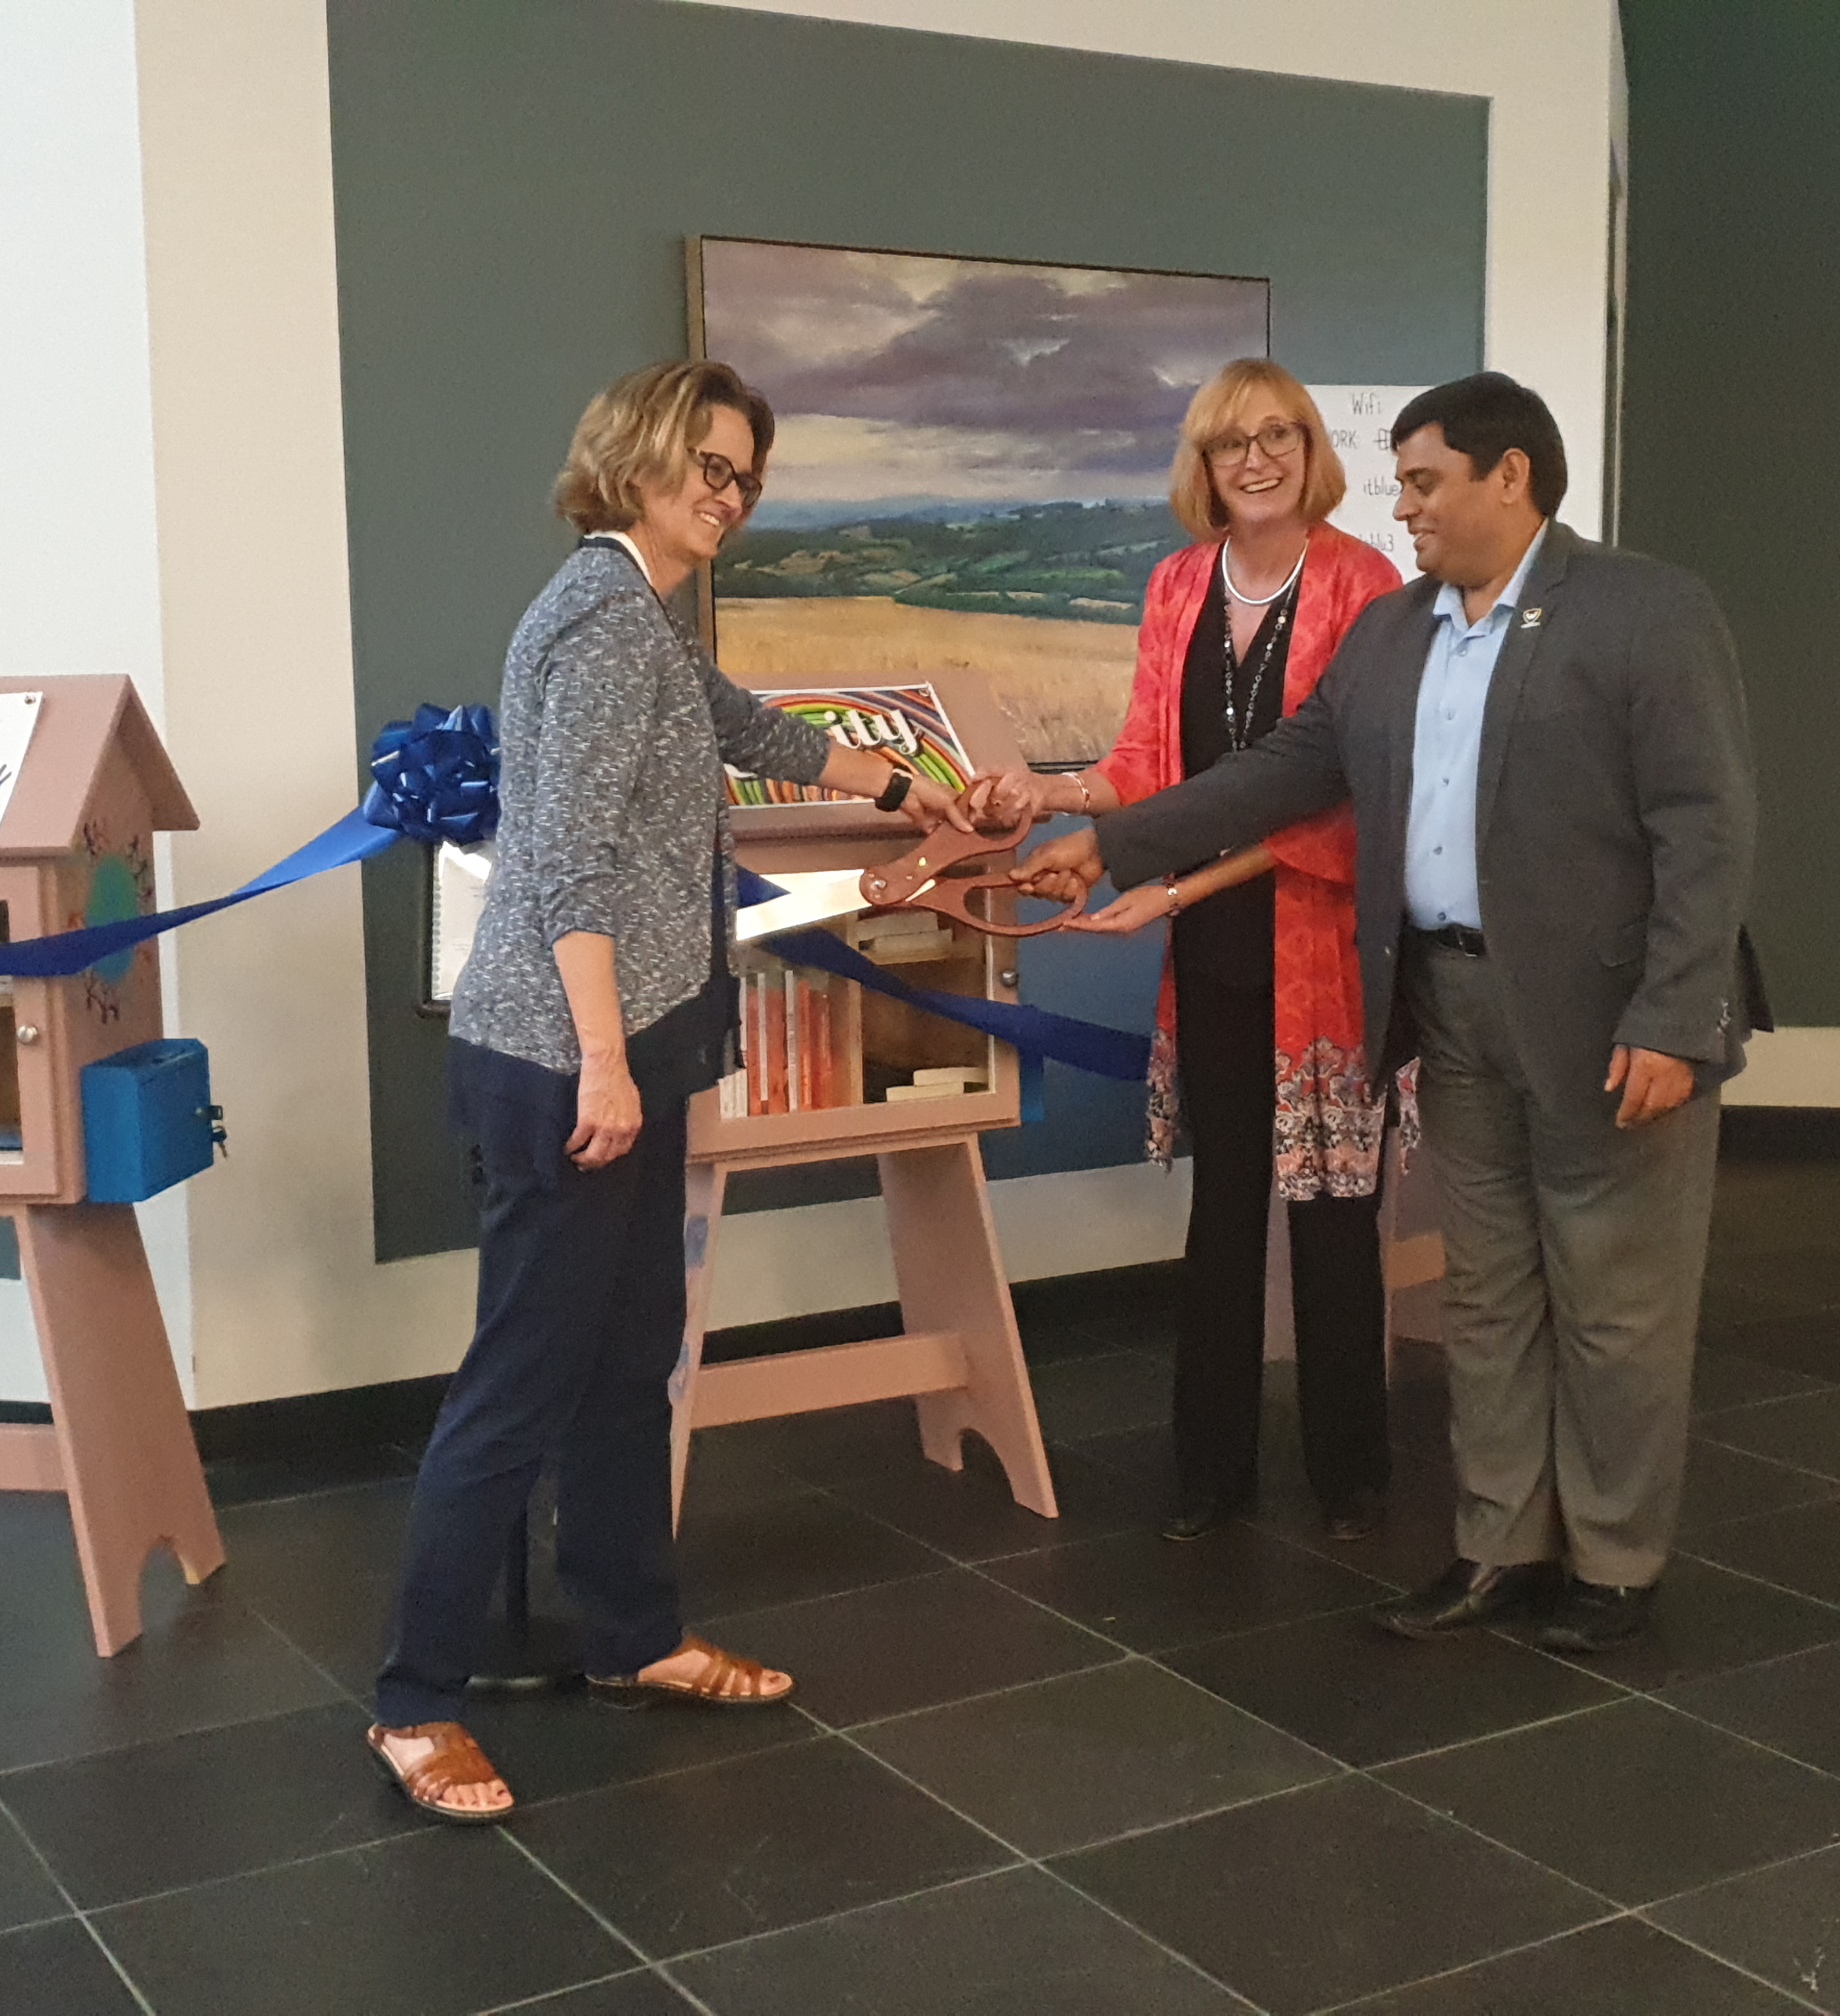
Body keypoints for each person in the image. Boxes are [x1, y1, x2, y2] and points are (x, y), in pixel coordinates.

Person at [1009, 372, 1759, 1653]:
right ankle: (1498, 1549)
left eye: (1423, 482)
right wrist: (1111, 844)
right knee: (1488, 1296)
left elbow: (1707, 826)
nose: (1400, 507)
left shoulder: (1645, 612)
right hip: (1444, 1004)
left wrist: (1675, 1018)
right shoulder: (1397, 631)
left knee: (1615, 1300)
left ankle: (1615, 1565)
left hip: (1606, 1022)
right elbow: (1284, 771)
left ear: (1507, 478)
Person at [367, 360, 959, 1822]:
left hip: (619, 1047)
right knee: (520, 1385)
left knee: (630, 1364)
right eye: (707, 462)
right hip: (569, 1064)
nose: (727, 492)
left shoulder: (638, 615)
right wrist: (609, 1063)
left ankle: (633, 1635)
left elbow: (749, 730)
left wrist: (905, 790)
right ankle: (412, 1705)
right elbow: (559, 861)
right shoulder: (599, 625)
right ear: (633, 457)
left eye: (745, 473)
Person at [962, 362, 1403, 1543]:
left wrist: (1170, 887)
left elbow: (1345, 801)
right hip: (1209, 949)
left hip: (1323, 950)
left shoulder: (1367, 584)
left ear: (1312, 451)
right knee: (1224, 1208)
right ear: (1201, 469)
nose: (1255, 459)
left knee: (1334, 1213)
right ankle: (1211, 1475)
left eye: (1277, 436)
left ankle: (1352, 1479)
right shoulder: (1175, 585)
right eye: (1228, 444)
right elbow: (1146, 767)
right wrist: (1051, 797)